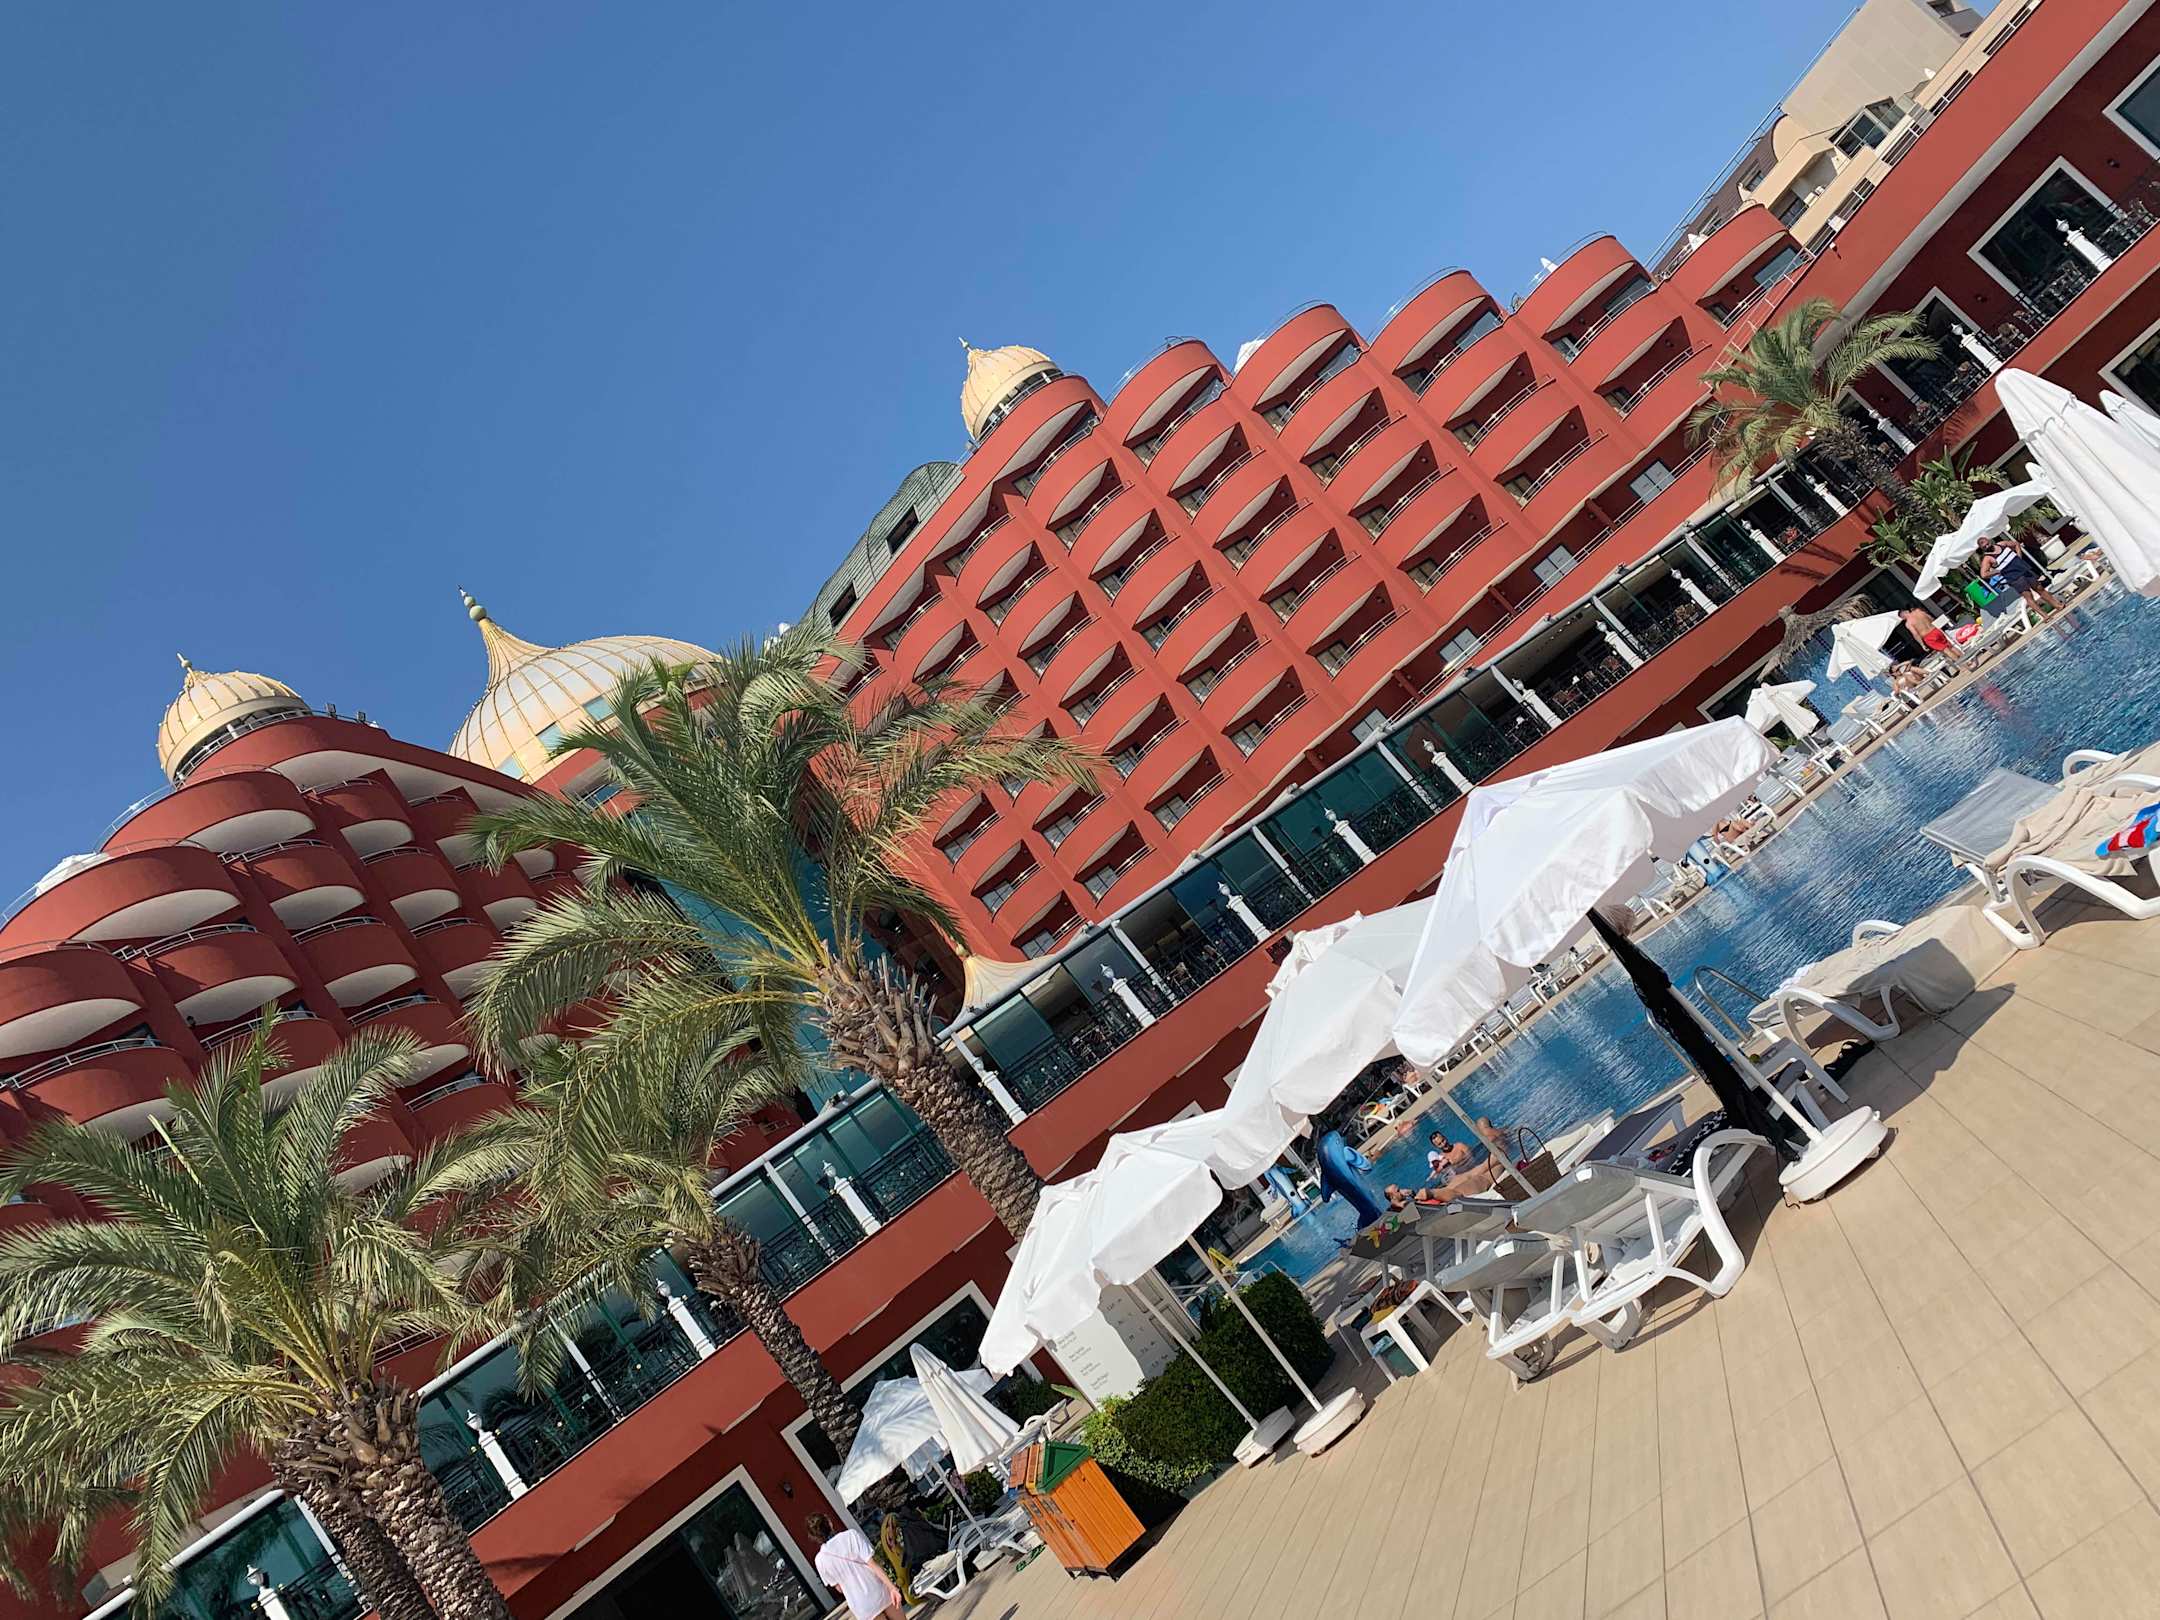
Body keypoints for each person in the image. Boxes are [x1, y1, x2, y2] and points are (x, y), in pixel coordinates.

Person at [808, 1512, 904, 1620]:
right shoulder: (851, 1535)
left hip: (861, 1605)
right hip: (880, 1591)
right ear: (829, 1523)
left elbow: (839, 1589)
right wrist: (892, 1587)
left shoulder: (820, 1560)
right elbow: (873, 1564)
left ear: (814, 1537)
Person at [1984, 536, 2065, 615]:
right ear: (1982, 549)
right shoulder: (1987, 558)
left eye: (1987, 544)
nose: (1987, 546)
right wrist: (1997, 571)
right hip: (2014, 578)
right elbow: (1984, 574)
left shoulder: (2002, 544)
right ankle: (2044, 615)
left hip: (2023, 569)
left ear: (1990, 541)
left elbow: (2016, 544)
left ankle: (2058, 605)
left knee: (2039, 588)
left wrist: (2019, 556)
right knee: (2028, 596)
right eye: (1984, 547)